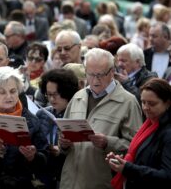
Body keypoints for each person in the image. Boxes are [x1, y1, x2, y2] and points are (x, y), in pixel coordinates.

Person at [59, 48, 143, 189]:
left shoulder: (128, 102)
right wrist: (63, 144)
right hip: (69, 182)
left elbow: (137, 149)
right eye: (90, 74)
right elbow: (62, 137)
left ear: (111, 72)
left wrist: (107, 143)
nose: (95, 80)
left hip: (102, 183)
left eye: (100, 75)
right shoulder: (78, 96)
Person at [106, 78, 171, 189]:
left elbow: (166, 176)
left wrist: (127, 168)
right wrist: (120, 163)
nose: (145, 108)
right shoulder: (149, 125)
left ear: (167, 103)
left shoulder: (167, 132)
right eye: (143, 102)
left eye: (152, 103)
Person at [36, 68, 79, 189]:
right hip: (44, 174)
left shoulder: (77, 116)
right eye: (48, 94)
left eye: (55, 94)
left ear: (67, 92)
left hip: (67, 176)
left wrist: (62, 150)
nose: (51, 99)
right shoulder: (42, 114)